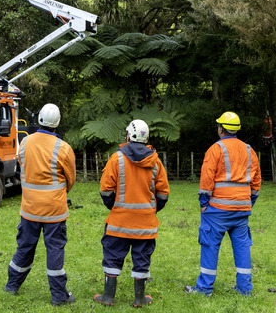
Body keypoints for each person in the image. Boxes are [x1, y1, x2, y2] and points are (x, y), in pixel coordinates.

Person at [4, 103, 76, 306]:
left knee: (25, 247)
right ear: (58, 123)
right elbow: (70, 179)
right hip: (54, 211)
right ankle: (59, 296)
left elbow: (23, 168)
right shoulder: (63, 148)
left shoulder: (25, 142)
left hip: (29, 209)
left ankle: (12, 286)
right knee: (54, 250)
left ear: (38, 120)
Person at [93, 119, 170, 307]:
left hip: (118, 223)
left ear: (128, 136)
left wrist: (115, 207)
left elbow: (105, 191)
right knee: (142, 260)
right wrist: (150, 210)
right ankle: (139, 299)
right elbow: (163, 195)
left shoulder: (116, 159)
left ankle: (108, 297)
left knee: (112, 257)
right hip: (145, 225)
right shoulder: (156, 162)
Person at [185, 111, 262, 297]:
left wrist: (204, 202)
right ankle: (245, 290)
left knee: (210, 246)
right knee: (242, 247)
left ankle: (204, 290)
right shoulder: (249, 150)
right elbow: (256, 180)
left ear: (221, 129)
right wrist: (248, 202)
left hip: (217, 210)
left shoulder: (216, 149)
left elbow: (207, 178)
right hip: (242, 209)